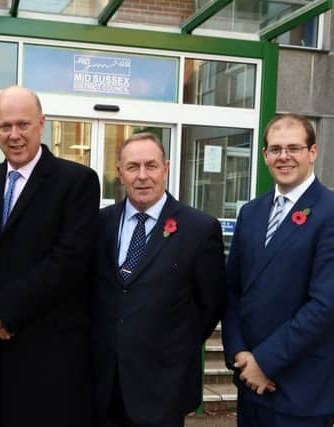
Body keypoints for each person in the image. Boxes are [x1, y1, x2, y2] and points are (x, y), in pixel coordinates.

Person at [0, 86, 100, 427]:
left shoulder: (77, 181)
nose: (15, 135)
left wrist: (3, 311)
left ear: (42, 124)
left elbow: (69, 261)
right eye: (5, 126)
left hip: (46, 358)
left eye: (23, 124)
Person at [222, 113, 334, 427]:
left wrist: (265, 362)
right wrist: (240, 355)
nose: (283, 157)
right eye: (275, 149)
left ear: (312, 152)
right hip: (251, 384)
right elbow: (232, 290)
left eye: (294, 148)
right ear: (264, 156)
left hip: (303, 391)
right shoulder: (251, 212)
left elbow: (327, 306)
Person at [91, 133, 226, 427]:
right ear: (120, 173)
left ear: (165, 168)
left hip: (163, 387)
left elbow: (210, 305)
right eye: (132, 167)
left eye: (150, 166)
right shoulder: (99, 224)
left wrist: (171, 349)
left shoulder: (199, 229)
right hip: (104, 386)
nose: (142, 176)